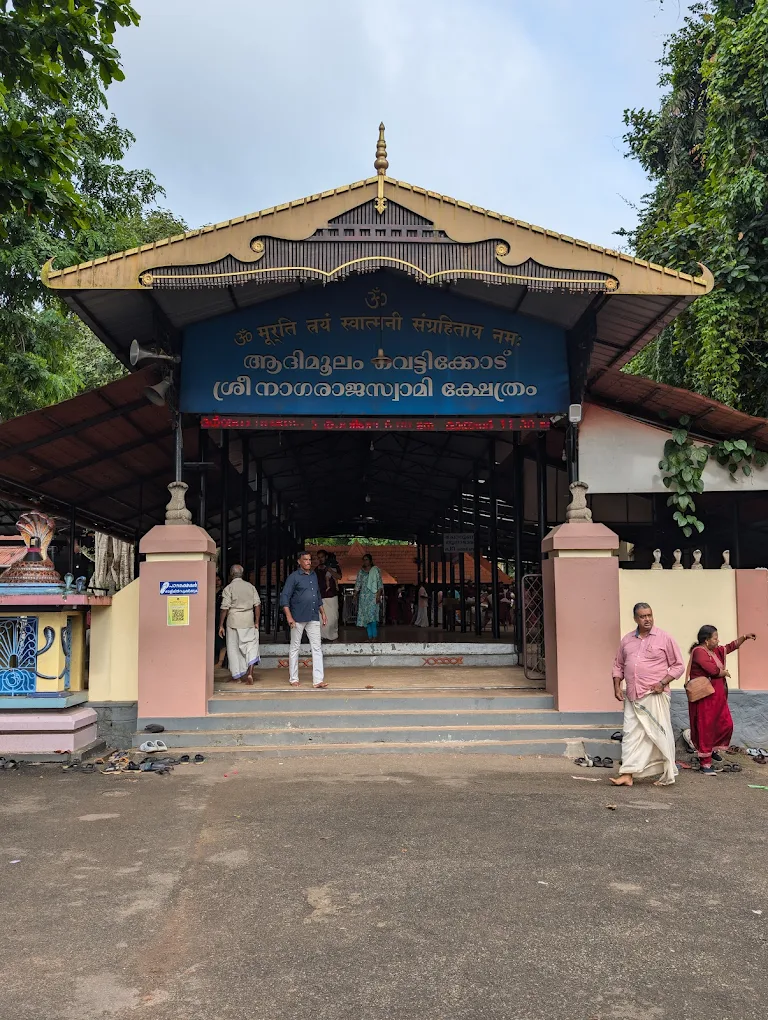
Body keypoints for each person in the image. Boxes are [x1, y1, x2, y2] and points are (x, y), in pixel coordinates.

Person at [610, 602, 684, 787]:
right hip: (633, 695)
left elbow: (678, 665)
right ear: (635, 619)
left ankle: (666, 771)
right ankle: (627, 774)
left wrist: (662, 682)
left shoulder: (664, 638)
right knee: (630, 735)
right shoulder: (627, 640)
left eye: (649, 615)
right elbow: (618, 665)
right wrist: (617, 686)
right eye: (642, 616)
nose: (647, 619)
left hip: (654, 694)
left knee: (657, 733)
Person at [685, 625, 756, 775]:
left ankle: (712, 750)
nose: (718, 641)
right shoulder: (699, 652)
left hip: (718, 698)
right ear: (706, 640)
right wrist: (723, 672)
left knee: (725, 724)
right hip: (705, 699)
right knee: (706, 728)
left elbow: (729, 647)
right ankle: (705, 763)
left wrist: (744, 637)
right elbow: (712, 670)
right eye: (715, 638)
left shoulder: (714, 650)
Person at [280, 551, 328, 688]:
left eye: (309, 559)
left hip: (313, 615)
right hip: (297, 617)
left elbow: (317, 596)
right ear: (299, 562)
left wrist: (323, 613)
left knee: (317, 648)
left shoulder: (313, 575)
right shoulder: (293, 577)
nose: (308, 562)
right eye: (305, 559)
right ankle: (293, 678)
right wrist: (289, 617)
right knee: (295, 647)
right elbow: (284, 598)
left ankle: (318, 680)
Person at [218, 564, 261, 685]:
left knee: (233, 649)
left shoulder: (228, 588)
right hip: (248, 620)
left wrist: (221, 625)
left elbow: (224, 608)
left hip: (233, 621)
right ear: (242, 574)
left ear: (231, 575)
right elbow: (257, 605)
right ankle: (250, 673)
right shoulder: (250, 587)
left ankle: (236, 677)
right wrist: (256, 622)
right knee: (251, 647)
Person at [355, 553, 383, 640]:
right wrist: (355, 595)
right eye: (364, 560)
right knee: (366, 617)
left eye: (367, 559)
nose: (365, 561)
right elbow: (358, 583)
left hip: (373, 596)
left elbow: (379, 584)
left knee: (372, 616)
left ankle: (374, 636)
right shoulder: (361, 571)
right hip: (363, 597)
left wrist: (378, 596)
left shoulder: (375, 570)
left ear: (370, 561)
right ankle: (369, 637)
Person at [315, 549, 342, 642]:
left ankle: (332, 636)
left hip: (332, 595)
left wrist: (329, 570)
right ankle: (322, 636)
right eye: (318, 558)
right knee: (322, 619)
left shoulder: (334, 566)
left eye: (322, 557)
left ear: (326, 557)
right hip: (321, 596)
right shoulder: (317, 569)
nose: (320, 559)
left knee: (333, 618)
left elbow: (339, 577)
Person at [214, 574, 227, 669]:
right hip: (211, 617)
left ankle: (220, 662)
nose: (216, 582)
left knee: (222, 640)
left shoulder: (224, 592)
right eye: (214, 580)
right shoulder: (207, 591)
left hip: (221, 617)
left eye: (218, 580)